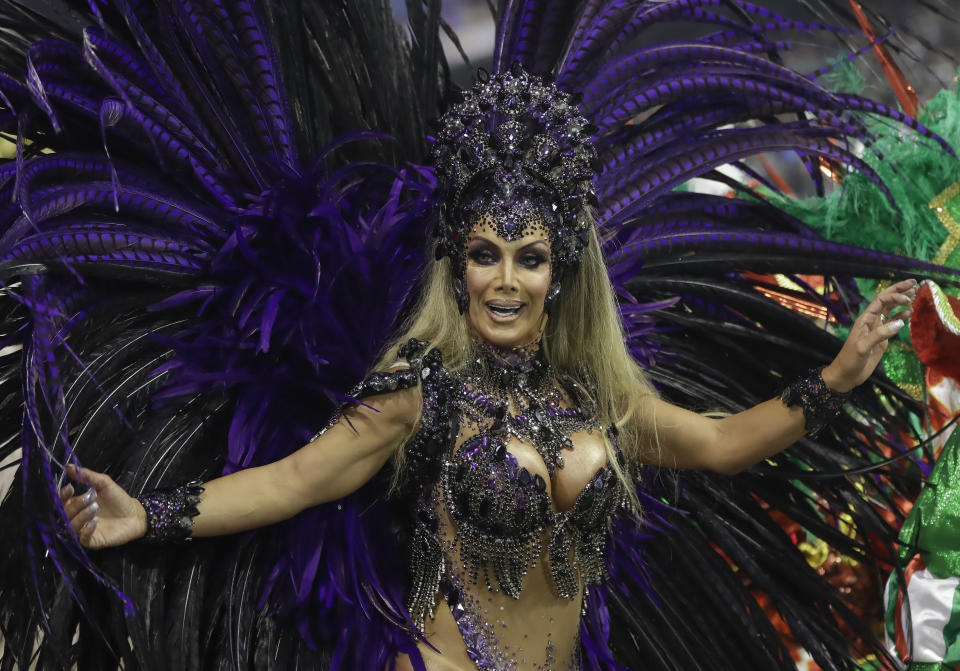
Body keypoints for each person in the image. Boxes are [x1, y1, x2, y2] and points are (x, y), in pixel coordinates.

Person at [55, 66, 919, 670]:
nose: (505, 280)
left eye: (530, 257)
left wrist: (838, 377)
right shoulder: (418, 392)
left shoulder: (597, 397)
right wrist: (148, 515)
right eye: (485, 253)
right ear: (457, 265)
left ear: (560, 273)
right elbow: (290, 481)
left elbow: (725, 443)